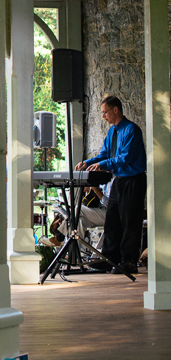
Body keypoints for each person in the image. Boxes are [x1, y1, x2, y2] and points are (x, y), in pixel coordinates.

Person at [76, 95, 147, 274]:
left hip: (133, 180)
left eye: (105, 112)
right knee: (112, 219)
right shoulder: (112, 132)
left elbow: (125, 157)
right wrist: (87, 162)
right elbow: (105, 154)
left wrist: (102, 165)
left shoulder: (131, 130)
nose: (103, 116)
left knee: (130, 222)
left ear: (116, 110)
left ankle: (129, 261)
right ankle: (109, 258)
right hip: (119, 180)